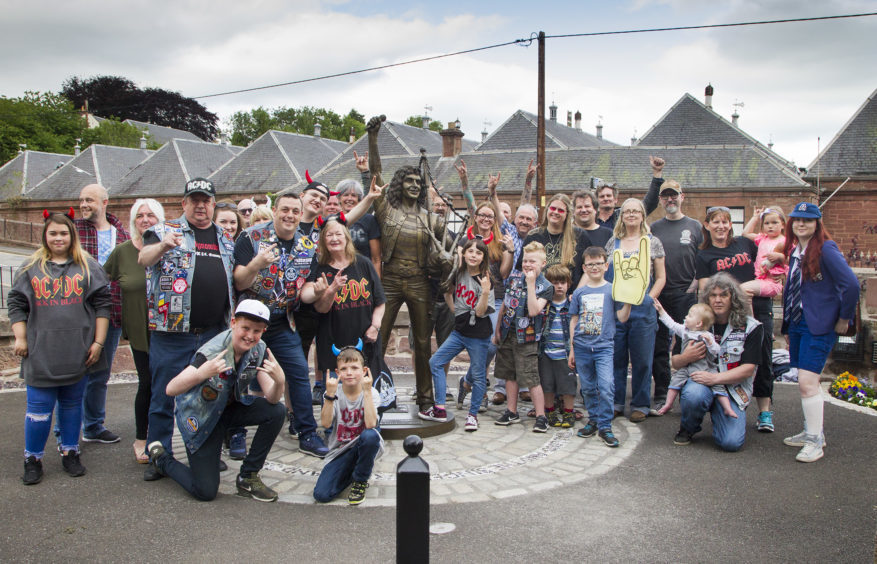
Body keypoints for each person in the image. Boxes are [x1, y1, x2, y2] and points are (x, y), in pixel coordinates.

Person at [138, 177, 236, 481]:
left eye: (206, 200)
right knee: (163, 396)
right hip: (172, 332)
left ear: (213, 204)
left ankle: (205, 453)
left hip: (212, 332)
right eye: (194, 200)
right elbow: (143, 258)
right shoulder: (164, 231)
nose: (200, 205)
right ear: (184, 204)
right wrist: (164, 246)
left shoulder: (225, 238)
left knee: (210, 395)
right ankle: (159, 455)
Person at [146, 300, 287, 502]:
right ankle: (162, 459)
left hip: (227, 412)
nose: (250, 336)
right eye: (245, 328)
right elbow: (171, 389)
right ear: (233, 323)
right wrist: (202, 373)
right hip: (202, 420)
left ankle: (248, 477)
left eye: (257, 331)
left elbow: (272, 399)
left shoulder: (259, 349)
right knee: (205, 491)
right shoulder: (212, 352)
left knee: (277, 412)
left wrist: (280, 382)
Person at [10, 211, 111, 484]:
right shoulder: (30, 267)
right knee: (39, 411)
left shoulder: (88, 267)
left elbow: (103, 305)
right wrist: (20, 337)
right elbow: (17, 304)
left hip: (77, 352)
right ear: (45, 234)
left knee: (71, 406)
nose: (58, 238)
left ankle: (70, 451)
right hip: (41, 353)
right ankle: (33, 458)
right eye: (53, 233)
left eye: (63, 233)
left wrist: (99, 343)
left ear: (72, 235)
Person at [364, 116, 454, 412]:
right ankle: (373, 396)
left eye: (419, 182)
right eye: (409, 181)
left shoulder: (432, 220)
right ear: (400, 185)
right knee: (378, 338)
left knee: (422, 342)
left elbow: (455, 251)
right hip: (388, 281)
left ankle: (426, 399)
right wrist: (373, 138)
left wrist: (447, 260)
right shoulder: (386, 210)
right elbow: (375, 173)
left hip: (419, 283)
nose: (415, 185)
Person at [233, 193, 329, 458]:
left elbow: (305, 291)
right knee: (240, 373)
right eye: (284, 209)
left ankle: (307, 432)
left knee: (298, 371)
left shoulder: (307, 245)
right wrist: (258, 263)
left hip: (281, 321)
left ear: (301, 215)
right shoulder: (250, 237)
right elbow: (240, 281)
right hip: (249, 322)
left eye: (294, 211)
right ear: (274, 210)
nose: (289, 215)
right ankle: (236, 432)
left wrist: (317, 291)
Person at [780, 202, 859, 463]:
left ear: (817, 224)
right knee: (806, 382)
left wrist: (844, 318)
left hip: (820, 325)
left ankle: (815, 442)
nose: (801, 224)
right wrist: (788, 327)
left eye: (808, 220)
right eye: (797, 220)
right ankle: (812, 432)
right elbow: (794, 290)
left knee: (806, 383)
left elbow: (851, 285)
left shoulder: (826, 249)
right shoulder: (795, 250)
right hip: (799, 323)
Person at [695, 206, 776, 432]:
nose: (721, 226)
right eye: (716, 222)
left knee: (763, 358)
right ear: (707, 225)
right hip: (727, 316)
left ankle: (764, 412)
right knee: (727, 358)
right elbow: (704, 289)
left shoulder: (744, 243)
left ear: (731, 225)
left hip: (758, 308)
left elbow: (767, 250)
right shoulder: (704, 255)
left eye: (725, 222)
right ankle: (718, 402)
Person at [300, 218, 388, 411]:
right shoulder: (320, 269)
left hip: (366, 341)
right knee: (336, 398)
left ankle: (369, 430)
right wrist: (331, 290)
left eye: (338, 234)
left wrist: (375, 326)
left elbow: (380, 302)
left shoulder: (363, 263)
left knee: (368, 395)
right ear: (323, 240)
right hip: (333, 344)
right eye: (329, 235)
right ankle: (336, 432)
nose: (334, 238)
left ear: (346, 237)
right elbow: (321, 308)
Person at [672, 273, 763, 451]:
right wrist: (686, 357)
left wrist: (715, 379)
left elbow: (748, 369)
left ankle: (720, 414)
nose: (718, 300)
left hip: (731, 389)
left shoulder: (751, 327)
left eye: (723, 295)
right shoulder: (695, 322)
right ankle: (688, 428)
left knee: (730, 443)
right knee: (693, 395)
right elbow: (675, 363)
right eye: (713, 295)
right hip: (700, 383)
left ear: (733, 298)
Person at [104, 198, 165, 463]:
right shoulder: (122, 252)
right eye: (140, 216)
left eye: (151, 215)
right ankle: (142, 438)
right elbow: (98, 282)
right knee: (148, 384)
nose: (145, 220)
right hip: (140, 331)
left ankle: (170, 437)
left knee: (171, 385)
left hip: (170, 330)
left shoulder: (172, 248)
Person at [74, 183, 130, 444]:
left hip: (112, 312)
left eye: (90, 200)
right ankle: (67, 431)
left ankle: (94, 426)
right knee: (74, 372)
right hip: (78, 312)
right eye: (82, 200)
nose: (84, 205)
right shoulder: (73, 232)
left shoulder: (122, 234)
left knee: (100, 373)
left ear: (104, 202)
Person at [648, 158, 703, 414]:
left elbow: (704, 259)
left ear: (682, 197)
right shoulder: (653, 228)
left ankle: (686, 392)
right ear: (661, 200)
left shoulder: (695, 227)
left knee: (686, 346)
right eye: (665, 197)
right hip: (660, 295)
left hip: (685, 295)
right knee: (659, 345)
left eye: (674, 196)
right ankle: (661, 392)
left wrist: (695, 284)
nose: (670, 200)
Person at [424, 238, 494, 431]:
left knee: (478, 376)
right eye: (470, 251)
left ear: (483, 257)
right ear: (464, 254)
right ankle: (439, 407)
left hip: (479, 335)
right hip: (460, 331)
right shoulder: (458, 273)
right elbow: (447, 291)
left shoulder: (486, 279)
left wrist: (486, 293)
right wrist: (455, 309)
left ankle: (472, 416)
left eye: (478, 253)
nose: (473, 255)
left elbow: (480, 313)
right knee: (435, 362)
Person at [605, 198, 666, 423]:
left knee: (642, 360)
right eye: (627, 211)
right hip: (617, 307)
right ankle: (616, 403)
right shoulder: (613, 242)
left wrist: (649, 299)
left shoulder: (653, 242)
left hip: (643, 309)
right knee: (616, 358)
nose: (631, 215)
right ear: (621, 216)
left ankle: (640, 404)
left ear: (642, 215)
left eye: (635, 211)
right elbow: (604, 275)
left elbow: (661, 277)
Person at [569, 246, 631, 447]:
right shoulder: (579, 292)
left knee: (605, 386)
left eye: (598, 263)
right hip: (582, 346)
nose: (594, 267)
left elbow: (621, 317)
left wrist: (628, 303)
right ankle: (593, 420)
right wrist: (572, 347)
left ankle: (605, 426)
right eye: (590, 264)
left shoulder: (612, 290)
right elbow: (574, 319)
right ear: (584, 267)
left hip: (604, 347)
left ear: (606, 265)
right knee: (587, 388)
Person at [493, 242, 554, 432]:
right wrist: (497, 330)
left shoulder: (545, 286)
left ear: (543, 264)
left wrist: (531, 283)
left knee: (530, 377)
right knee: (509, 375)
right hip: (507, 332)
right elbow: (505, 304)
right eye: (525, 260)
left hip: (527, 338)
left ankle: (541, 416)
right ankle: (512, 411)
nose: (528, 264)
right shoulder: (514, 278)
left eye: (533, 261)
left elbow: (535, 310)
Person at [313, 346, 383, 505]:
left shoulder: (372, 392)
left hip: (364, 442)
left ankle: (360, 480)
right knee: (321, 495)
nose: (349, 372)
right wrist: (329, 396)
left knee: (370, 435)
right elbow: (325, 423)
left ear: (364, 371)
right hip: (341, 449)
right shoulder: (333, 393)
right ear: (337, 373)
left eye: (354, 368)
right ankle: (353, 471)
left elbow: (371, 424)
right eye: (344, 369)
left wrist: (366, 392)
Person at [653, 300, 732, 417]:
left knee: (718, 387)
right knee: (674, 383)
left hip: (705, 368)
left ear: (699, 323)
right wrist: (661, 311)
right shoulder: (685, 331)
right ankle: (668, 404)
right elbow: (671, 324)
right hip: (687, 367)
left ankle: (727, 408)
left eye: (689, 316)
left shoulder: (707, 335)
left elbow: (717, 351)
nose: (686, 317)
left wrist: (710, 343)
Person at [520, 194, 590, 290]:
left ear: (567, 214)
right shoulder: (533, 236)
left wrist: (577, 294)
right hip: (539, 296)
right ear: (547, 209)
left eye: (560, 210)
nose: (555, 212)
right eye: (553, 208)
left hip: (570, 297)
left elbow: (589, 268)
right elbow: (523, 268)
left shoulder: (580, 235)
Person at [539, 265, 576, 428]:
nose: (559, 286)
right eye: (555, 283)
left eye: (563, 282)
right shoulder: (545, 304)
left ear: (568, 284)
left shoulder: (572, 305)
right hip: (546, 351)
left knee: (568, 385)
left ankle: (568, 412)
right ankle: (550, 411)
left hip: (565, 352)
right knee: (547, 384)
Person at [337, 161, 382, 277]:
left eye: (354, 195)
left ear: (360, 199)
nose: (349, 198)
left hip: (363, 276)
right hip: (338, 276)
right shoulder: (333, 220)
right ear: (339, 198)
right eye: (345, 195)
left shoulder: (369, 220)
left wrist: (376, 286)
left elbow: (376, 259)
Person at [740, 206, 788, 299]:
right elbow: (745, 234)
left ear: (782, 225)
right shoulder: (763, 238)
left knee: (741, 289)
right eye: (766, 223)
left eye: (774, 222)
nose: (770, 226)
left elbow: (793, 262)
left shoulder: (785, 241)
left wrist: (784, 273)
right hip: (759, 278)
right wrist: (755, 217)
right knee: (745, 293)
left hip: (771, 282)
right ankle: (749, 314)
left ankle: (748, 314)